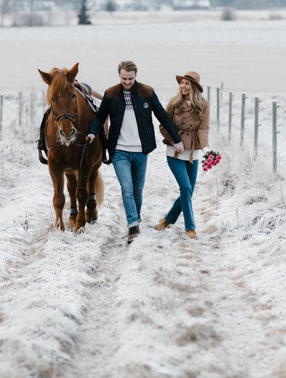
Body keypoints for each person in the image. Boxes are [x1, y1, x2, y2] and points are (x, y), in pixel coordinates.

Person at [87, 60, 182, 244]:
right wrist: (92, 132)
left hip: (140, 150)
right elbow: (100, 117)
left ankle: (135, 219)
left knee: (138, 190)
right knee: (127, 188)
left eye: (131, 78)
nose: (128, 82)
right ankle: (132, 225)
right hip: (119, 151)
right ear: (119, 75)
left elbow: (162, 115)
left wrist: (177, 139)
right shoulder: (111, 93)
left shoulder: (147, 92)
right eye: (124, 78)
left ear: (135, 76)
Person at [155, 71, 210, 239]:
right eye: (182, 83)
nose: (183, 86)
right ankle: (190, 227)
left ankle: (167, 219)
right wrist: (174, 141)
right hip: (175, 152)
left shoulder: (203, 104)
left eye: (187, 84)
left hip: (193, 151)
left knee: (189, 191)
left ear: (194, 87)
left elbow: (203, 127)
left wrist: (205, 146)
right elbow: (164, 125)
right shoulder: (174, 102)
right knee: (185, 188)